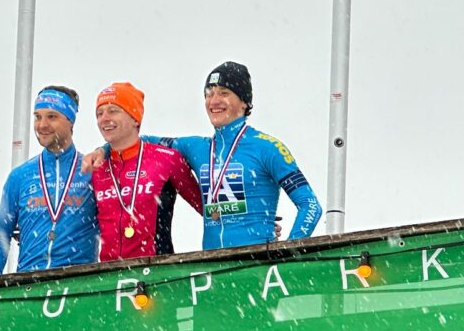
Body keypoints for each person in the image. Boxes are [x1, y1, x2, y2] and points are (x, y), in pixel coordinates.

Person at [85, 62, 322, 250]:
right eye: (209, 94)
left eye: (224, 93)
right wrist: (101, 150)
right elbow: (137, 139)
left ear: (244, 102)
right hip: (212, 267)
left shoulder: (267, 147)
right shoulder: (196, 147)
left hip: (257, 263)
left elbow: (310, 205)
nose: (214, 101)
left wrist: (289, 250)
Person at [0, 86, 99, 275]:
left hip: (79, 283)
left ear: (70, 121)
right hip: (29, 284)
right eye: (38, 117)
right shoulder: (20, 176)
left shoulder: (91, 171)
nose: (42, 125)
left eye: (52, 117)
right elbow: (0, 233)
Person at [90, 82, 202, 261]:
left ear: (135, 119)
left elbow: (206, 208)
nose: (104, 118)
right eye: (99, 113)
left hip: (157, 270)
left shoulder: (166, 159)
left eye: (113, 111)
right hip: (108, 273)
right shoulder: (96, 167)